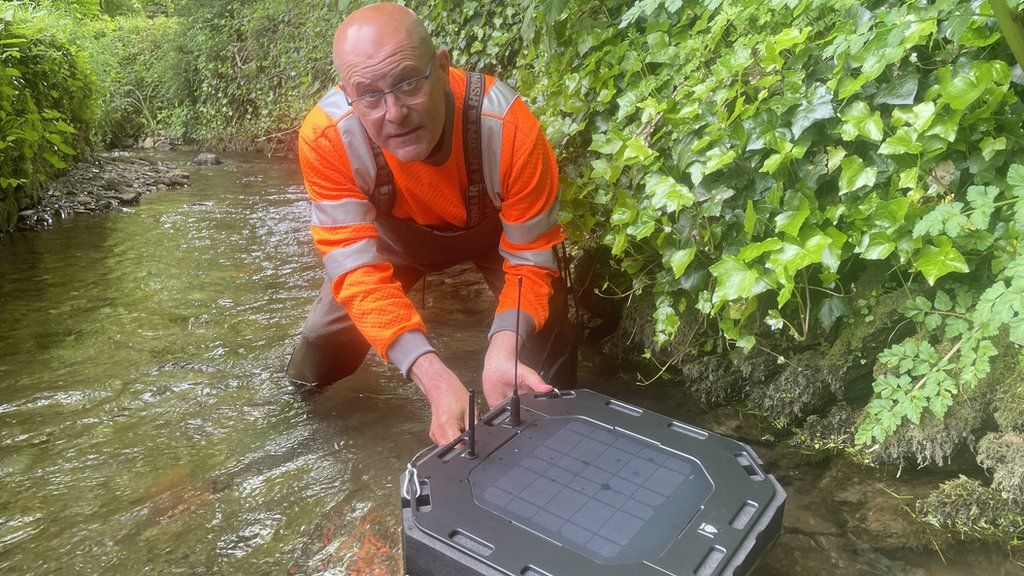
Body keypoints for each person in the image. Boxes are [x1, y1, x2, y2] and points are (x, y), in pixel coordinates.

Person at [288, 3, 577, 446]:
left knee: (542, 344)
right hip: (393, 244)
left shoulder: (509, 129)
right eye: (369, 94)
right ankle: (306, 426)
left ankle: (562, 424)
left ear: (441, 67)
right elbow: (356, 272)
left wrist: (502, 349)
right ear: (347, 93)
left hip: (495, 239)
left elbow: (530, 262)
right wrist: (433, 377)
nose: (395, 113)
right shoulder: (328, 138)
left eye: (407, 82)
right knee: (318, 345)